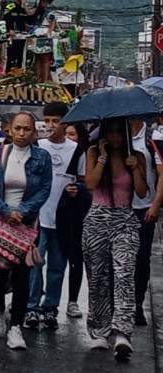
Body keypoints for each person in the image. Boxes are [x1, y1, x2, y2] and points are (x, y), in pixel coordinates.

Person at [0, 111, 53, 351]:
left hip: (27, 222)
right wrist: (4, 210)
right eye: (18, 129)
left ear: (34, 132)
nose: (22, 133)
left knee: (23, 277)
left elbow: (45, 189)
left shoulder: (42, 158)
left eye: (27, 129)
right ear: (9, 130)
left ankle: (16, 328)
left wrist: (23, 211)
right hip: (0, 219)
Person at [83, 117, 148, 357]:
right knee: (98, 275)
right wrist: (102, 157)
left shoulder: (137, 155)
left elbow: (142, 192)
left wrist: (136, 168)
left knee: (124, 276)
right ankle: (99, 330)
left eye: (119, 133)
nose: (115, 138)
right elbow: (90, 183)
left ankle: (122, 332)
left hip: (125, 220)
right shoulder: (92, 152)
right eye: (110, 133)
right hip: (97, 219)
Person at [26, 102, 80, 330]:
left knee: (58, 265)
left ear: (65, 122)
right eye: (46, 120)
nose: (50, 126)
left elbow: (85, 180)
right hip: (39, 215)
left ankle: (51, 308)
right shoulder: (37, 146)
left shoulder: (76, 149)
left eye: (56, 121)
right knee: (34, 263)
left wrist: (78, 190)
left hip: (63, 217)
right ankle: (31, 307)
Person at [126, 115, 163, 327]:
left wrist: (156, 204)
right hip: (119, 207)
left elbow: (161, 172)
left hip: (144, 208)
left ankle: (137, 304)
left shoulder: (153, 137)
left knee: (141, 259)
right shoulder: (116, 136)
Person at [58, 122, 92, 319]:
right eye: (67, 133)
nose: (70, 137)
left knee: (75, 259)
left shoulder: (84, 154)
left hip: (77, 212)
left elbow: (88, 183)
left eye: (73, 134)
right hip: (56, 212)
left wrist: (79, 188)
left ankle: (73, 300)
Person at [27, 0, 57, 82]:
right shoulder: (37, 11)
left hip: (45, 36)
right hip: (36, 35)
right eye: (42, 0)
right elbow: (29, 13)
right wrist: (25, 4)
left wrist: (49, 32)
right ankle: (38, 78)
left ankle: (45, 79)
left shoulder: (50, 13)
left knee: (45, 58)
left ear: (48, 3)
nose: (43, 2)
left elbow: (52, 23)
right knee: (38, 58)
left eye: (45, 1)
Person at [3, 0, 31, 71]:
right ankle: (9, 71)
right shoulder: (10, 7)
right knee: (11, 55)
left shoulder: (24, 8)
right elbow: (6, 20)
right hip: (12, 35)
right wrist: (10, 29)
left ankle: (20, 71)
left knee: (21, 55)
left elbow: (29, 20)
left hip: (22, 35)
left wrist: (26, 4)